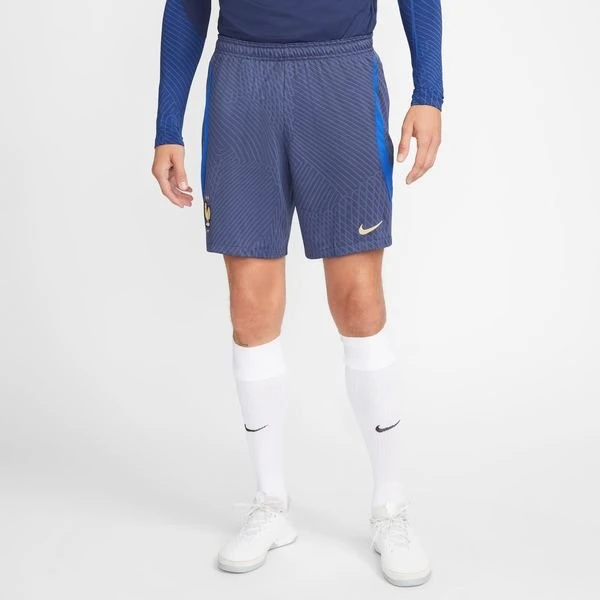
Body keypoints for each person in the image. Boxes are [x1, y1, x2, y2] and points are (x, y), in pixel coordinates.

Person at [151, 0, 443, 587]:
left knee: (358, 300)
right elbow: (186, 5)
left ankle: (390, 508)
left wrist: (429, 93)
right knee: (250, 308)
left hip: (340, 76)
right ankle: (270, 503)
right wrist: (167, 126)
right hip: (242, 80)